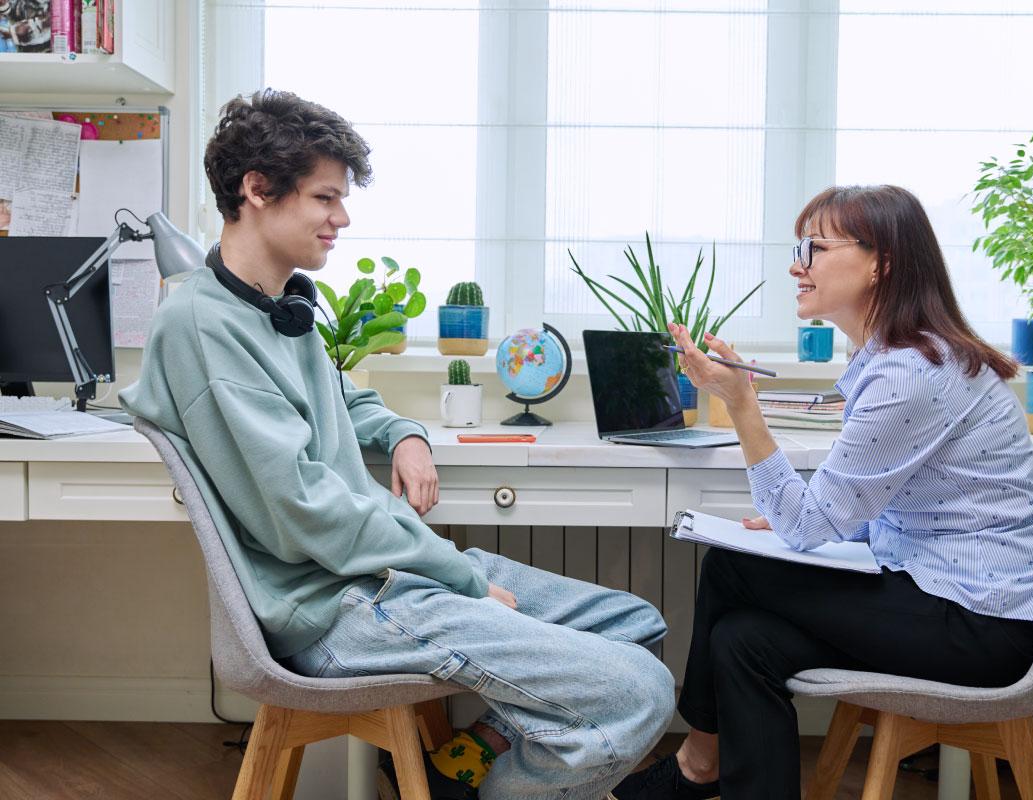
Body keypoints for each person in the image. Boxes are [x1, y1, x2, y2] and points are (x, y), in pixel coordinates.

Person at [120, 89, 675, 800]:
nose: (341, 218)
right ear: (257, 189)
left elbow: (340, 398)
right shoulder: (204, 325)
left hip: (375, 580)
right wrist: (464, 580)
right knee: (639, 693)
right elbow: (305, 508)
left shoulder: (276, 308)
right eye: (325, 198)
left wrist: (405, 433)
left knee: (637, 625)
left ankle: (460, 772)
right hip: (333, 607)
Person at [613, 185, 1033, 800]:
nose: (798, 265)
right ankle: (705, 771)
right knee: (741, 641)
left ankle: (695, 765)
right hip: (937, 592)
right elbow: (884, 510)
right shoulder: (898, 359)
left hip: (981, 624)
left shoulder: (910, 373)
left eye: (815, 248)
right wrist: (810, 525)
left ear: (882, 262)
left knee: (730, 569)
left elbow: (805, 524)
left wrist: (741, 402)